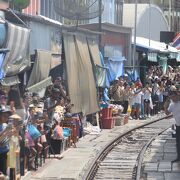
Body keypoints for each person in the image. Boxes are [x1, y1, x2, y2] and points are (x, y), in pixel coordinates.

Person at [164, 86, 180, 162]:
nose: (173, 99)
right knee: (178, 143)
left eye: (174, 97)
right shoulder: (172, 104)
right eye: (171, 98)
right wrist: (165, 107)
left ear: (177, 96)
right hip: (178, 125)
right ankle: (178, 157)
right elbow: (167, 114)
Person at [0, 107, 11, 175]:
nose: (7, 117)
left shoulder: (5, 125)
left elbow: (8, 137)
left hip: (6, 152)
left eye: (8, 116)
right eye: (5, 115)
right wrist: (5, 131)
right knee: (3, 174)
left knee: (6, 173)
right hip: (1, 154)